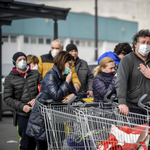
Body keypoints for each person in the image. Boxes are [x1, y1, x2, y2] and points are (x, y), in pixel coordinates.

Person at [26, 51, 80, 150]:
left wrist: (71, 95)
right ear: (62, 62)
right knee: (44, 146)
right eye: (69, 64)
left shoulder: (65, 75)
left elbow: (76, 94)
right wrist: (67, 82)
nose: (71, 67)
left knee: (57, 144)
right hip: (43, 118)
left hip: (56, 117)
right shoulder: (50, 74)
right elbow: (56, 95)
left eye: (72, 65)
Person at [3, 52, 43, 150]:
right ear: (14, 62)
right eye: (19, 60)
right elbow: (7, 97)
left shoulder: (35, 73)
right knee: (26, 144)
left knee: (41, 143)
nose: (23, 61)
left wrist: (37, 99)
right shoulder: (10, 78)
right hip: (23, 115)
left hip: (38, 114)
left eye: (24, 59)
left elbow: (44, 89)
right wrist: (22, 106)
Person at [115, 29, 150, 116]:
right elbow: (121, 81)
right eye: (143, 42)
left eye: (148, 42)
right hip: (134, 106)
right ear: (135, 44)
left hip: (149, 105)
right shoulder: (127, 60)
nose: (146, 45)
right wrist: (122, 102)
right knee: (138, 129)